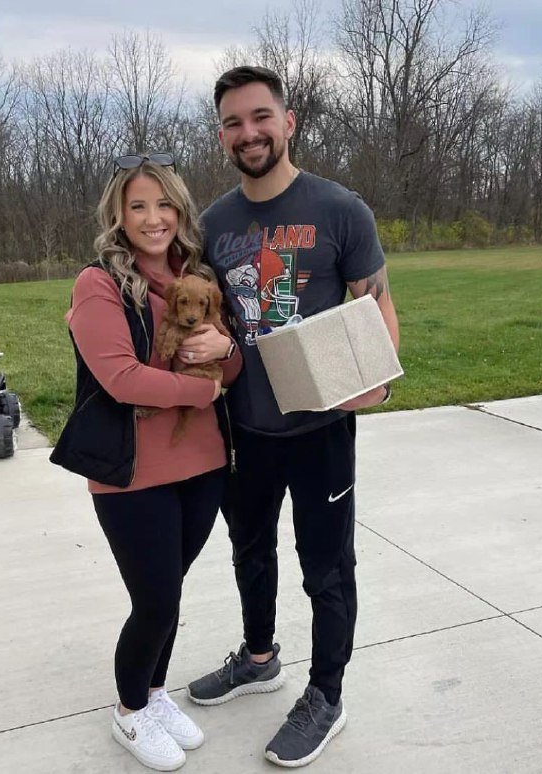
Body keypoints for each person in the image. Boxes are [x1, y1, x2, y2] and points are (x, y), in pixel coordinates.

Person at [186, 66, 400, 767]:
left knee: (326, 568)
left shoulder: (340, 209)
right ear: (221, 134)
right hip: (244, 428)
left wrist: (376, 387)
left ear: (288, 121)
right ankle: (259, 658)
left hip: (319, 432)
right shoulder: (213, 225)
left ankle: (326, 695)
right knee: (249, 550)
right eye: (233, 122)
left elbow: (377, 306)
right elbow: (206, 317)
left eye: (259, 117)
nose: (248, 133)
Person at [63, 153, 242, 771]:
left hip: (205, 466)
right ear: (118, 214)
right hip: (134, 473)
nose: (153, 217)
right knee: (156, 600)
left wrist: (227, 352)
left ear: (180, 210)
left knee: (171, 589)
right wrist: (203, 390)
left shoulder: (200, 277)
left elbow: (233, 364)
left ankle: (156, 693)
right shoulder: (99, 285)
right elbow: (121, 379)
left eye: (164, 204)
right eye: (137, 205)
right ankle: (130, 710)